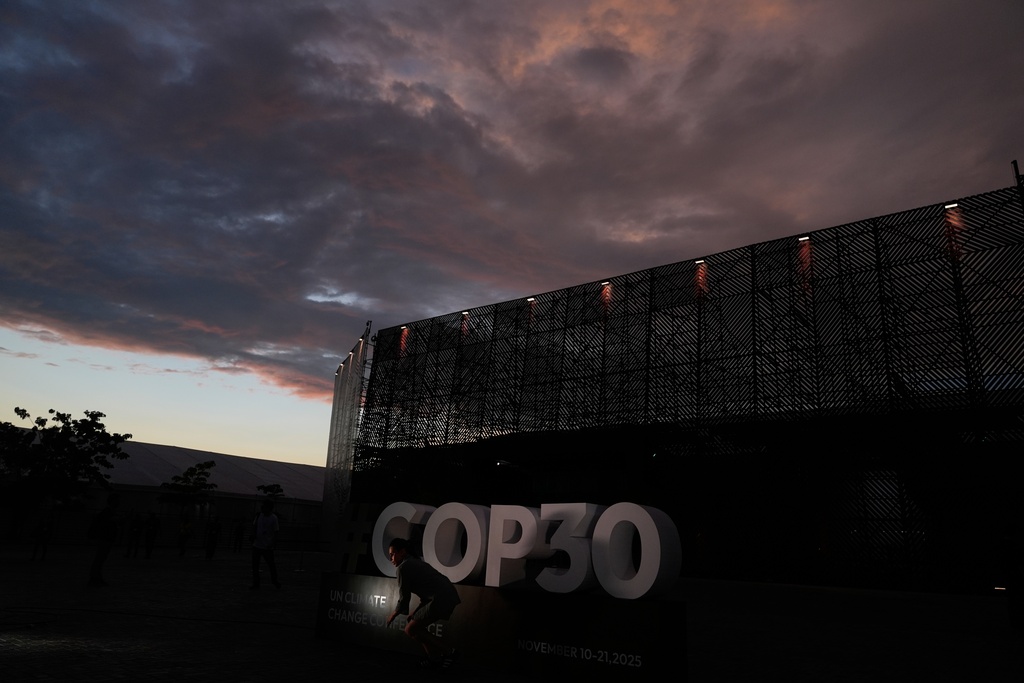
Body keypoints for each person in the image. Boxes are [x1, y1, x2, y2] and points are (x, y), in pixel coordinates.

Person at [385, 538, 461, 669]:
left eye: (392, 554)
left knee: (410, 629)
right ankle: (434, 659)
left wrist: (393, 614)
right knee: (414, 627)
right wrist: (414, 612)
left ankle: (449, 652)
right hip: (446, 594)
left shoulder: (403, 567)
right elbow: (426, 595)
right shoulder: (412, 563)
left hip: (442, 597)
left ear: (402, 552)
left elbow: (404, 598)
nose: (391, 558)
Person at [88, 493, 121, 586]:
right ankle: (94, 578)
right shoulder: (108, 512)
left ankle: (96, 577)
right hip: (105, 538)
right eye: (117, 500)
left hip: (105, 538)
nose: (119, 503)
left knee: (100, 558)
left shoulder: (108, 512)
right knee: (100, 558)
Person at [250, 500, 280, 589]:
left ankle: (274, 580)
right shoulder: (259, 515)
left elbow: (276, 532)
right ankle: (257, 583)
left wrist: (272, 543)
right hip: (258, 544)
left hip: (267, 546)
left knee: (270, 564)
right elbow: (254, 526)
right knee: (257, 565)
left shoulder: (273, 518)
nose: (262, 508)